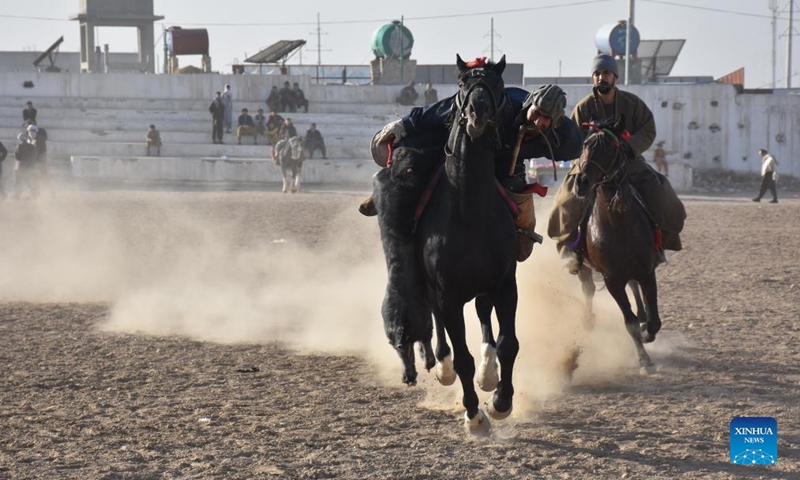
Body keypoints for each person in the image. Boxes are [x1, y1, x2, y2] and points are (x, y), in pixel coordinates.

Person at [547, 54, 686, 272]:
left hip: (628, 162)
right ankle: (570, 251)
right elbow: (573, 138)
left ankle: (663, 242)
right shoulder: (583, 107)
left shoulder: (632, 104)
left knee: (660, 188)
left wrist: (629, 147)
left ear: (615, 77)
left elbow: (648, 130)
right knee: (566, 199)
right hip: (591, 166)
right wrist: (584, 158)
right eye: (597, 74)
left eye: (606, 73)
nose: (601, 77)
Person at [14, 132, 39, 199]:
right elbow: (35, 156)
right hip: (30, 165)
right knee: (29, 180)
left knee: (19, 180)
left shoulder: (19, 146)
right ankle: (33, 194)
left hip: (22, 165)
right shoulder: (32, 146)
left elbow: (17, 157)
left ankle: (17, 195)